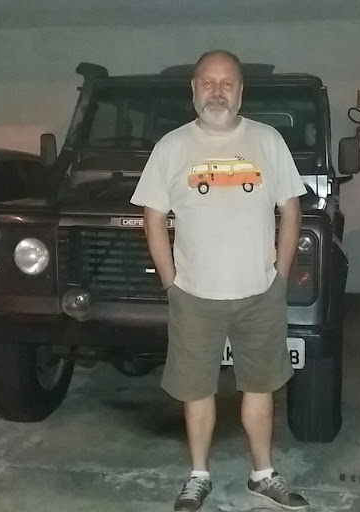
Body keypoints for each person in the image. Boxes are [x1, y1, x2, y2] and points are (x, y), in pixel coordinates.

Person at [131, 49, 309, 511]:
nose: (216, 92)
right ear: (193, 89)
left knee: (261, 385)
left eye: (226, 83)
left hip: (260, 294)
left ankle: (263, 475)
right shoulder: (171, 146)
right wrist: (171, 283)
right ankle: (198, 476)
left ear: (240, 91)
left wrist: (280, 276)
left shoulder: (267, 140)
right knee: (196, 389)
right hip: (194, 296)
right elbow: (153, 218)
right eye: (207, 83)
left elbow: (291, 210)